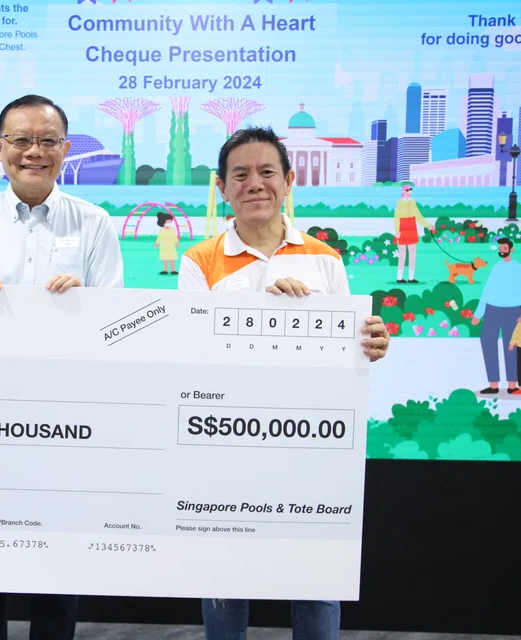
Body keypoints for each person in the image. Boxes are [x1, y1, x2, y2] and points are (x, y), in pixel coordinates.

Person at [177, 125, 391, 640]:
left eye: (267, 172)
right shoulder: (199, 260)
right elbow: (188, 353)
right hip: (224, 444)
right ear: (223, 188)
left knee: (317, 584)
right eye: (240, 175)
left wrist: (371, 344)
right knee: (224, 583)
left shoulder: (325, 258)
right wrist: (261, 310)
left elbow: (348, 349)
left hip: (312, 445)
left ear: (289, 180)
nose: (255, 184)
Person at [0, 93, 123, 640]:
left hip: (65, 418)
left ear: (65, 150)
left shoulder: (94, 222)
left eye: (47, 141)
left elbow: (115, 323)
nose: (33, 152)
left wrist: (83, 300)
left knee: (57, 564)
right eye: (20, 140)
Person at [471, 238, 521, 395]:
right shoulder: (496, 267)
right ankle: (493, 384)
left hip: (513, 311)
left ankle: (512, 385)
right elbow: (487, 290)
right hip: (492, 310)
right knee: (488, 344)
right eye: (500, 247)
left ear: (511, 249)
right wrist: (479, 314)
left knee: (511, 346)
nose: (502, 249)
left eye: (505, 247)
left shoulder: (519, 268)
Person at [393, 183, 434, 284]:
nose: (409, 192)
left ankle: (411, 278)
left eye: (410, 190)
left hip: (411, 228)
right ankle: (399, 277)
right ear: (403, 192)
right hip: (402, 228)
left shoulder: (412, 202)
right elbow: (396, 217)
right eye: (407, 190)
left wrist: (427, 225)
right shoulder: (400, 202)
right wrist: (397, 231)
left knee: (412, 254)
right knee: (402, 254)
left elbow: (418, 216)